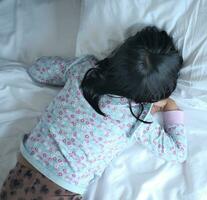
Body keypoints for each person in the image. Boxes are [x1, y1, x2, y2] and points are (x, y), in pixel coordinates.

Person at [0, 26, 187, 199]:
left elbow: (37, 70)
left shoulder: (84, 69)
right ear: (153, 96)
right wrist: (170, 105)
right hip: (59, 192)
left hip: (17, 178)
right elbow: (178, 152)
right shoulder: (136, 119)